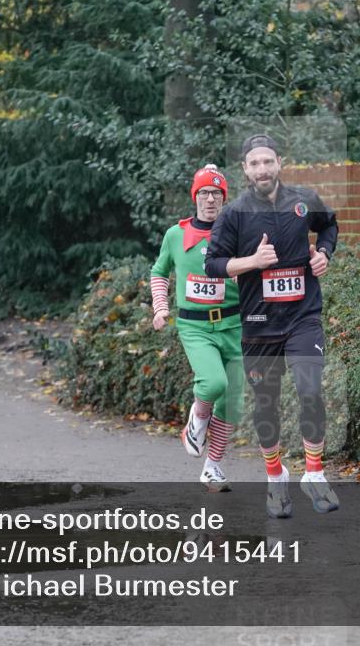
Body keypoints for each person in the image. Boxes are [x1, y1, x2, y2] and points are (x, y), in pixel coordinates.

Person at [205, 134, 340, 517]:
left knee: (310, 387)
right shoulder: (234, 214)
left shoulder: (304, 200)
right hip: (259, 323)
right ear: (245, 170)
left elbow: (329, 228)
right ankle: (275, 477)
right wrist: (252, 261)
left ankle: (313, 473)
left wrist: (324, 254)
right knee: (267, 405)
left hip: (303, 316)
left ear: (279, 162)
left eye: (268, 161)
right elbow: (213, 264)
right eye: (254, 163)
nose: (262, 169)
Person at [150, 165, 244, 492]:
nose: (209, 199)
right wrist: (161, 308)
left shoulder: (236, 233)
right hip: (195, 327)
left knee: (233, 401)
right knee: (213, 382)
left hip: (234, 324)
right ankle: (198, 419)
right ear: (195, 196)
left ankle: (213, 468)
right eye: (203, 193)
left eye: (216, 194)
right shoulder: (176, 234)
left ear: (223, 199)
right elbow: (159, 271)